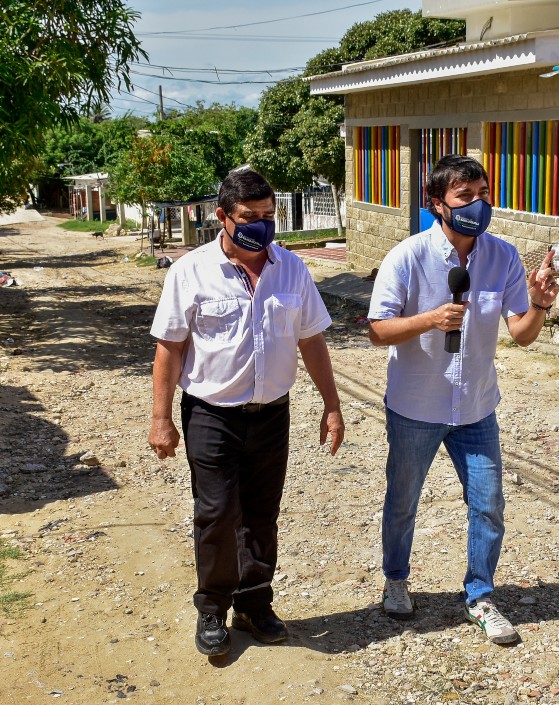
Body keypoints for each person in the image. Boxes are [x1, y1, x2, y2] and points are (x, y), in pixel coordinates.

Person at [148, 168, 345, 657]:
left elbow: (312, 339)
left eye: (268, 215)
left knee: (262, 515)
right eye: (249, 217)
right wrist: (161, 418)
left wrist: (332, 405)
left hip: (272, 415)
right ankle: (212, 608)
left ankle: (254, 603)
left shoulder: (292, 268)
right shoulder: (189, 271)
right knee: (216, 514)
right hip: (212, 415)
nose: (261, 225)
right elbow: (169, 349)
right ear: (222, 217)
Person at [367, 155, 559, 645]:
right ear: (437, 205)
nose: (479, 203)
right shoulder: (407, 257)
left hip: (476, 408)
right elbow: (377, 330)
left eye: (484, 192)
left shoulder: (503, 257)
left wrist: (539, 304)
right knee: (403, 501)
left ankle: (480, 596)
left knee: (489, 504)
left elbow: (522, 334)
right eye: (465, 196)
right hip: (416, 407)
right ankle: (396, 580)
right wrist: (430, 319)